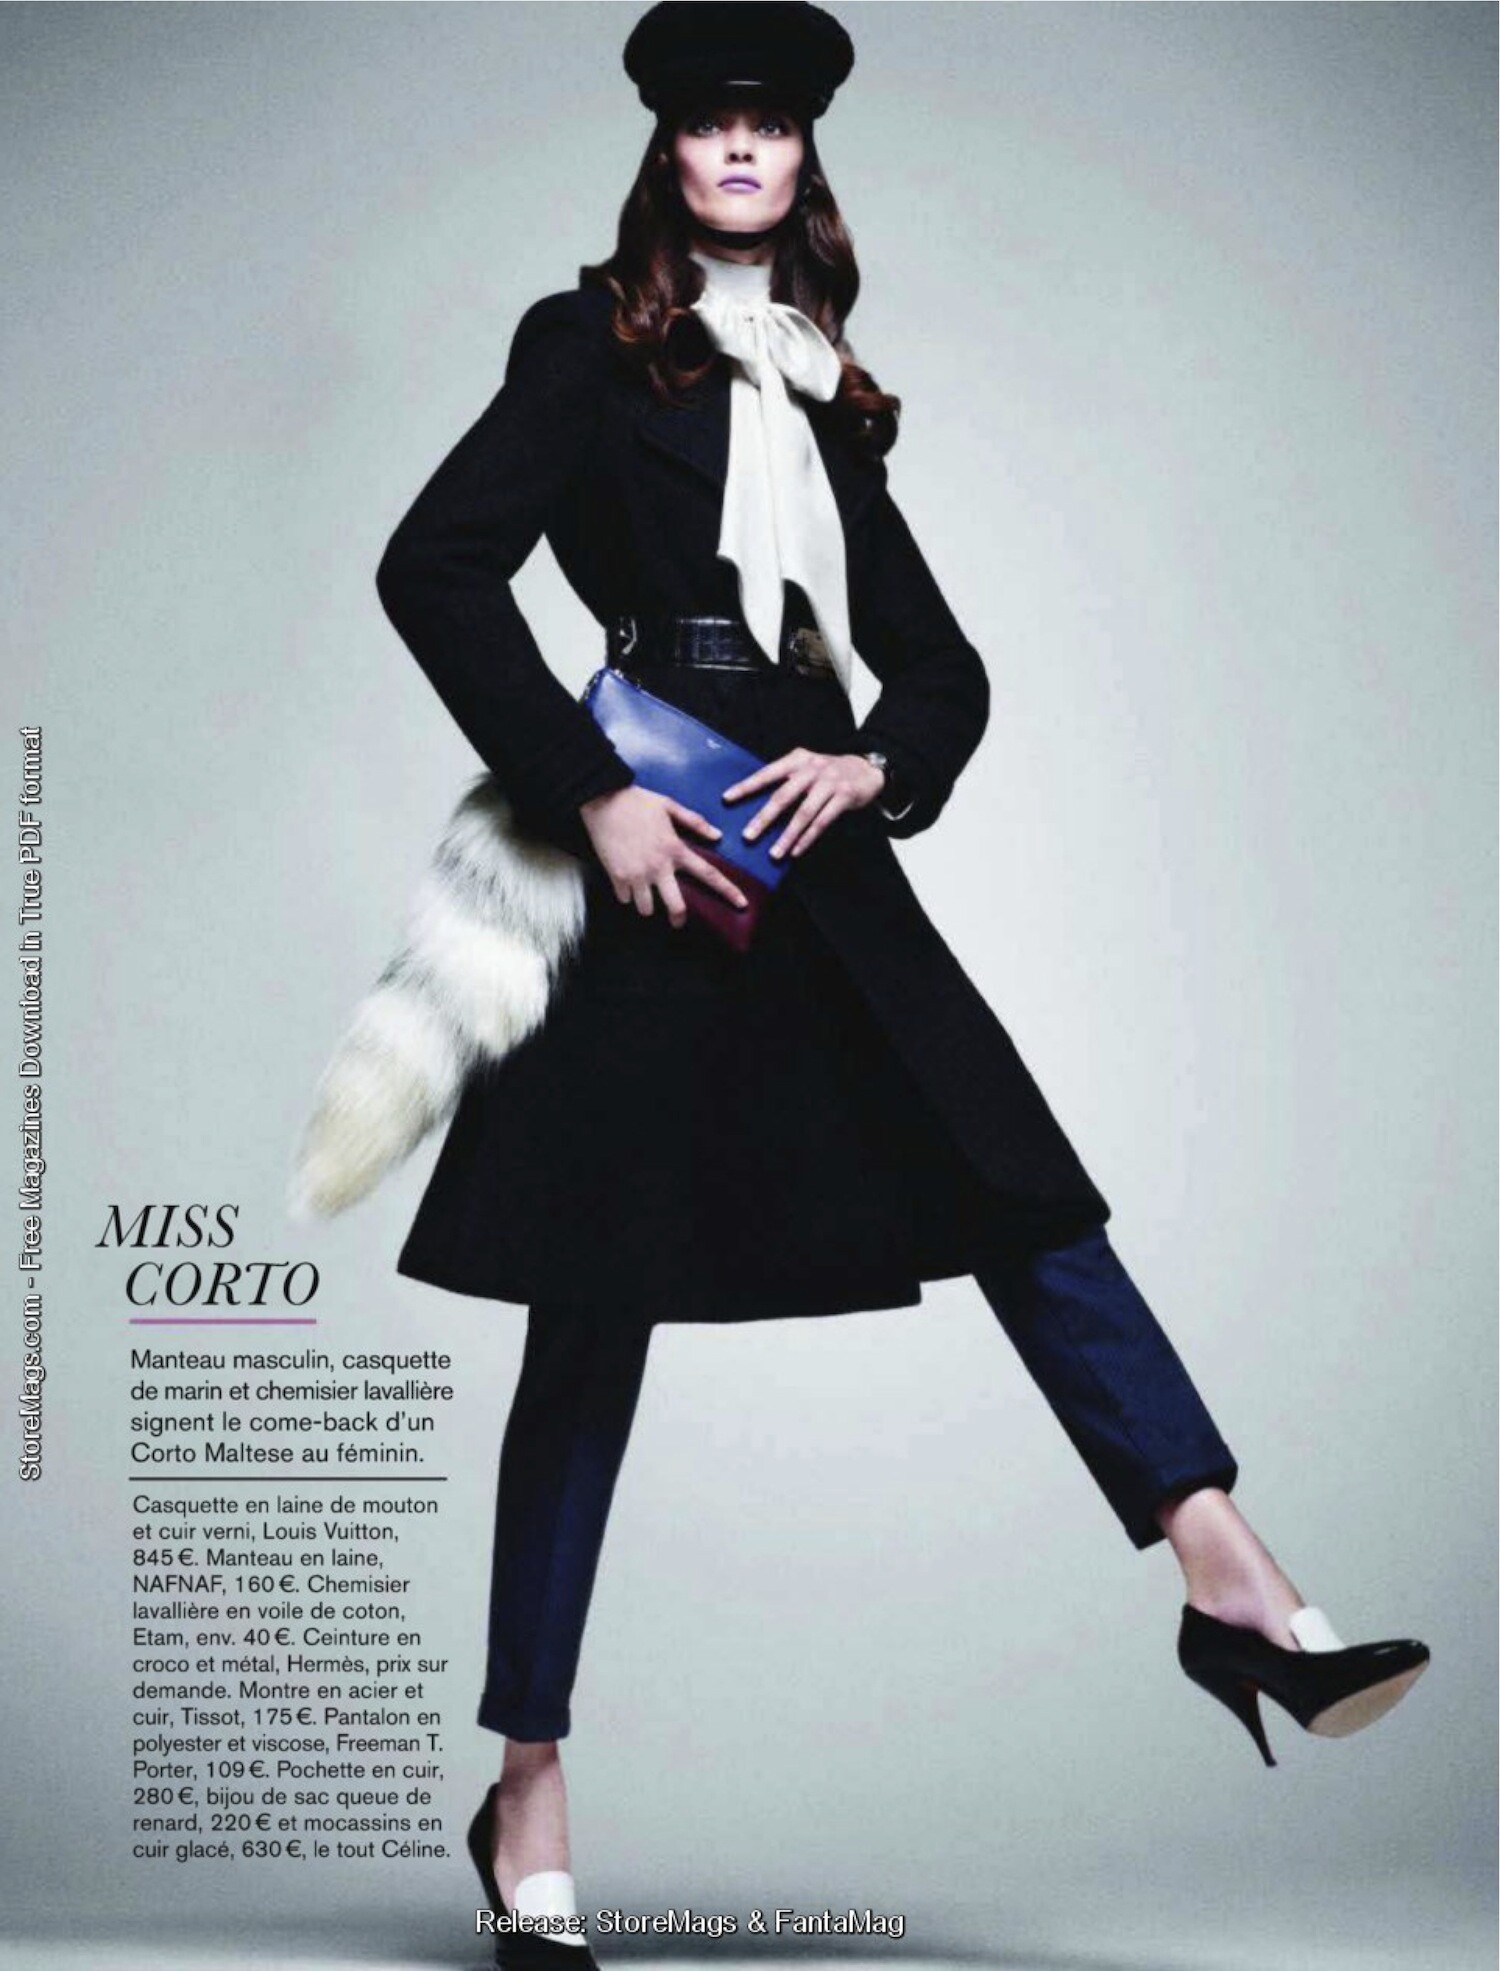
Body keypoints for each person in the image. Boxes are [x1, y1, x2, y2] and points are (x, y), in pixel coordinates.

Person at [368, 4, 1430, 1960]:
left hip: (817, 845)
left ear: (805, 158)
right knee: (593, 1305)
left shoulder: (827, 386)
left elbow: (940, 663)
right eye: (713, 120)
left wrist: (879, 762)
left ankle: (1232, 1576)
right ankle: (528, 1781)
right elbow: (432, 566)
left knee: (1021, 1188)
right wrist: (591, 792)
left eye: (772, 123)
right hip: (653, 839)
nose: (742, 148)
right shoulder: (583, 346)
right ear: (667, 150)